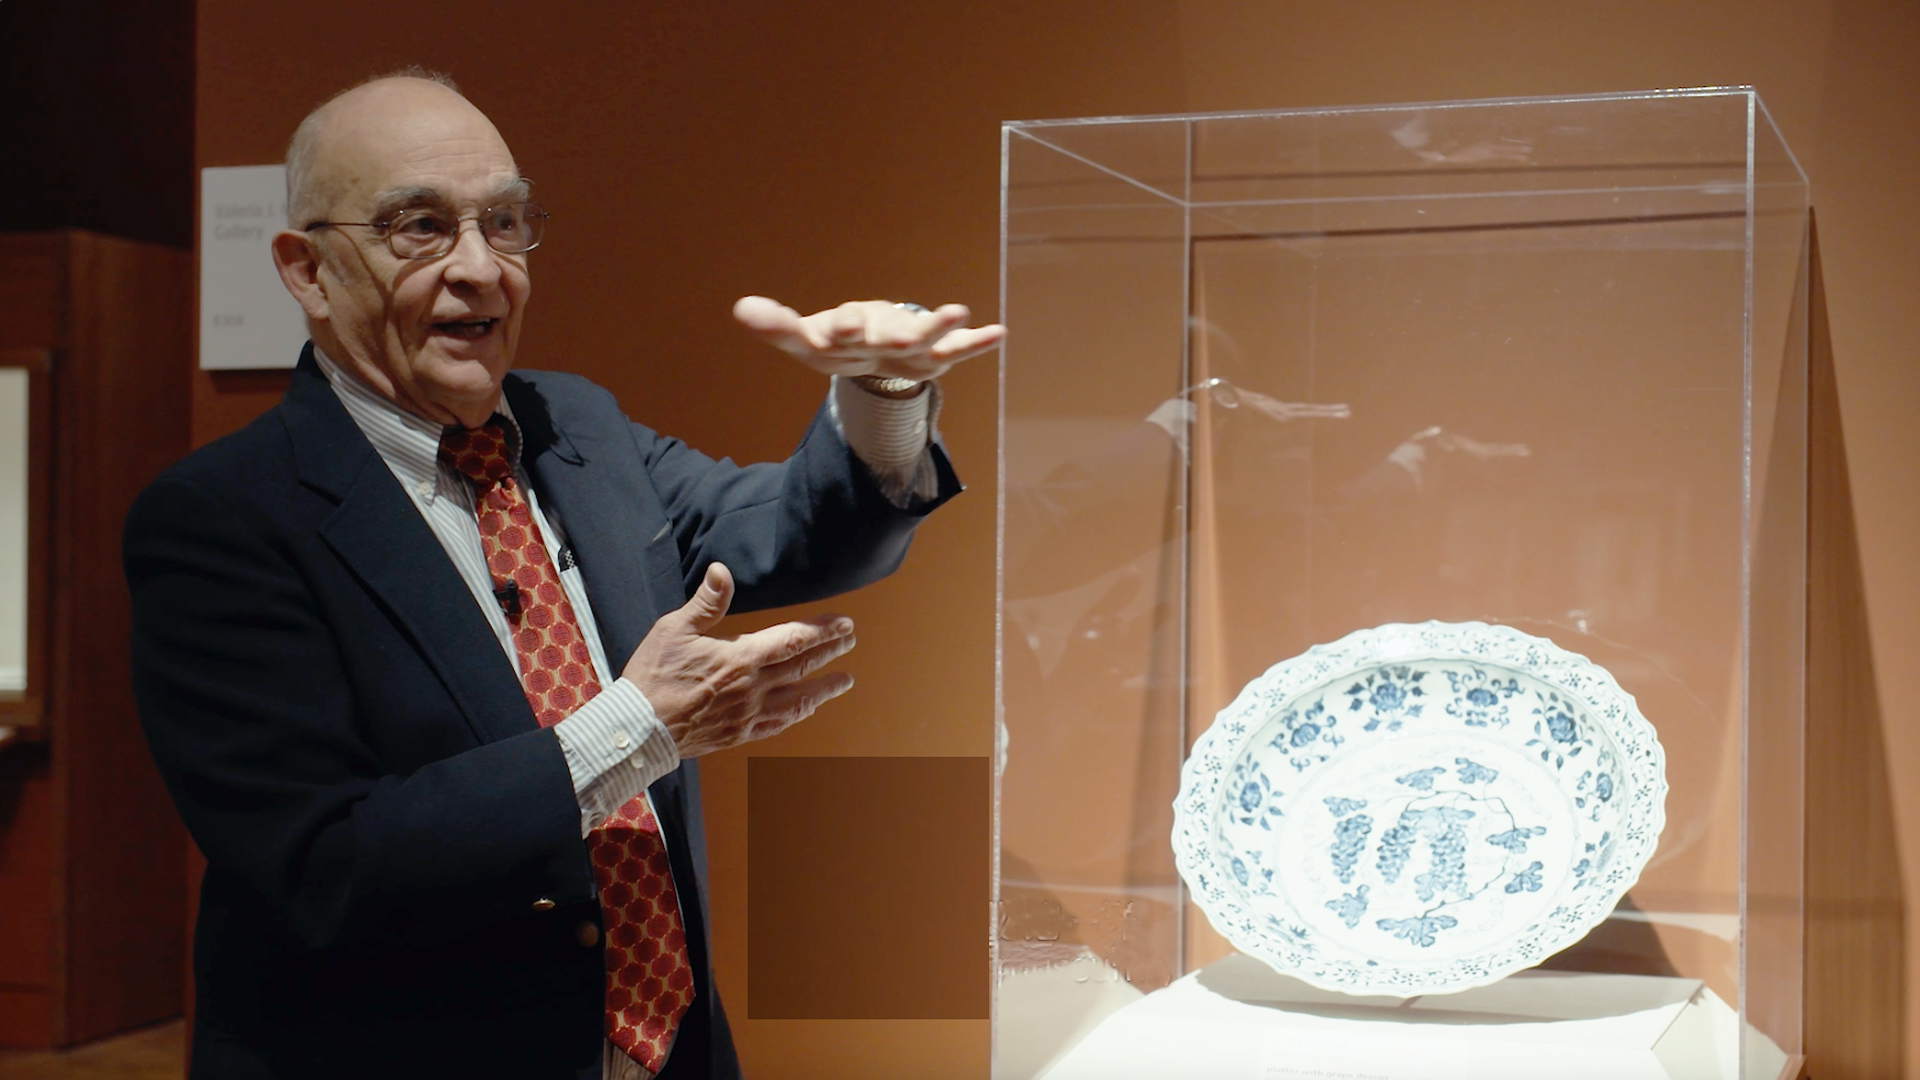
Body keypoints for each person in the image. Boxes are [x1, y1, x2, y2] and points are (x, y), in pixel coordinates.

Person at [124, 71, 1003, 1080]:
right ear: (308, 269)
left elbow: (789, 535)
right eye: (421, 226)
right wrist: (636, 729)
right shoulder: (221, 518)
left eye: (503, 223)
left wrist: (883, 393)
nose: (480, 269)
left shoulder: (573, 425)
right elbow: (325, 866)